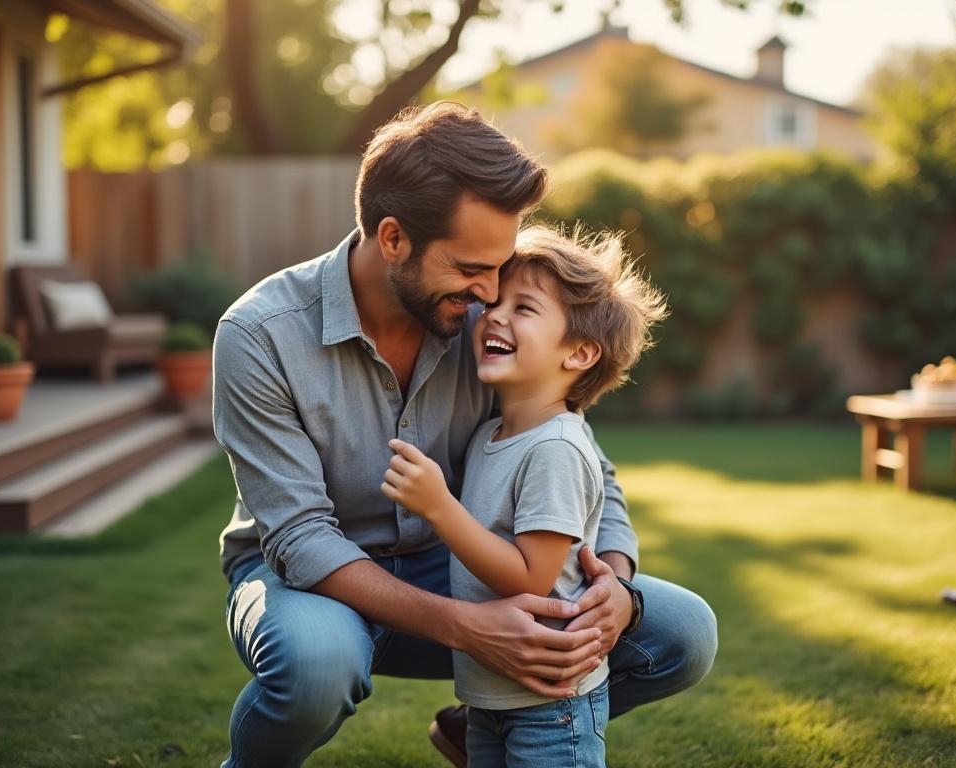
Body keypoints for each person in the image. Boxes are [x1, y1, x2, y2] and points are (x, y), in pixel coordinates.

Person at [213, 102, 717, 768]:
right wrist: (467, 628)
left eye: (500, 266)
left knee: (680, 632)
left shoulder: (493, 325)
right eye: (471, 268)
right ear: (394, 239)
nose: (489, 291)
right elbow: (299, 538)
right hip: (312, 583)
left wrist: (616, 589)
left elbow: (589, 466)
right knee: (316, 666)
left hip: (462, 565)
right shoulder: (259, 335)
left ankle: (488, 724)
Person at [381, 225, 667, 766]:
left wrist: (439, 507)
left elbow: (532, 576)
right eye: (494, 303)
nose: (492, 316)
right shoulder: (493, 435)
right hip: (494, 692)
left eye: (524, 308)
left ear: (579, 353)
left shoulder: (555, 448)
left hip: (549, 703)